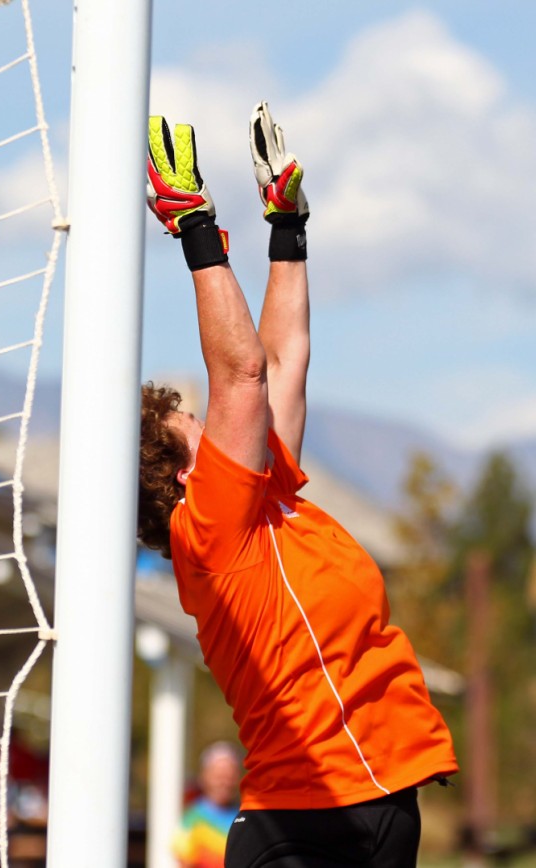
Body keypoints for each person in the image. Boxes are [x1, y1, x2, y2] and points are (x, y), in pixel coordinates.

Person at [140, 103, 458, 868]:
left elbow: (281, 361)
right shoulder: (209, 528)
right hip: (308, 819)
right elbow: (243, 374)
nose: (203, 412)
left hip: (373, 797)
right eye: (188, 418)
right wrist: (194, 229)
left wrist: (287, 227)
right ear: (182, 470)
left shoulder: (263, 502)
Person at [173, 741, 242, 868]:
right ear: (204, 777)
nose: (224, 783)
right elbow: (184, 860)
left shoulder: (244, 817)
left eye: (229, 776)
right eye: (218, 776)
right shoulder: (192, 819)